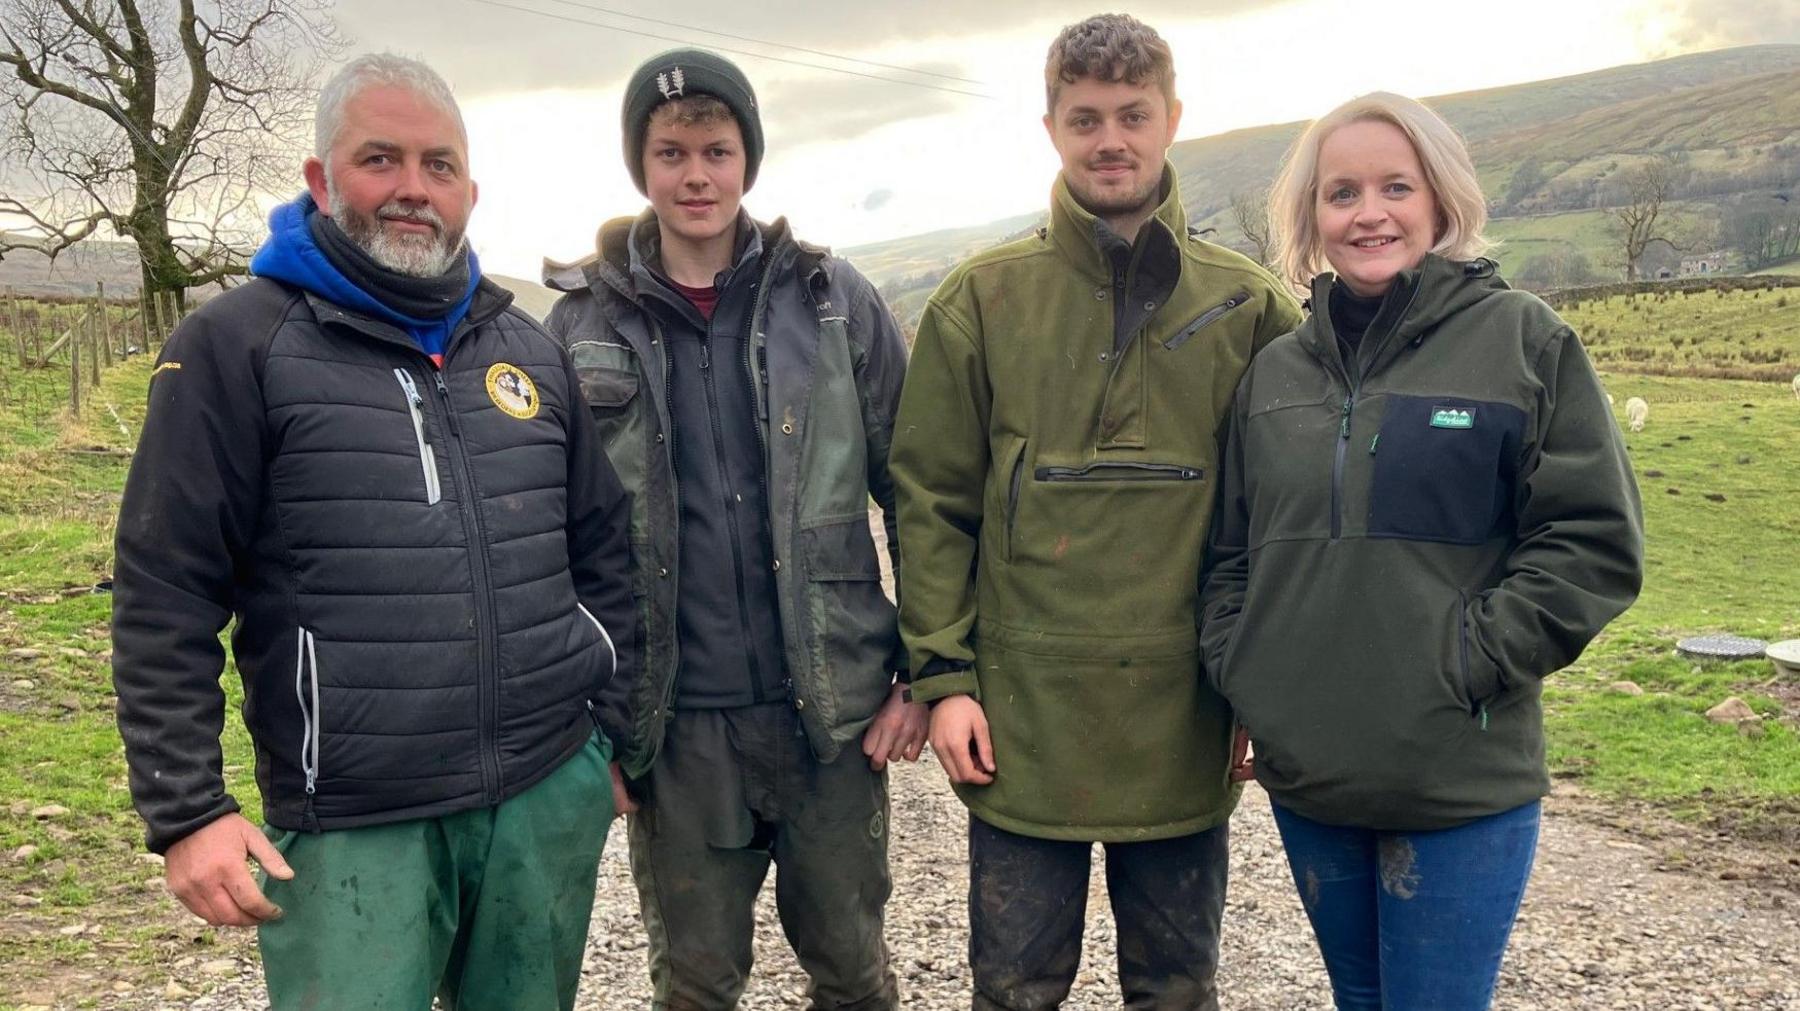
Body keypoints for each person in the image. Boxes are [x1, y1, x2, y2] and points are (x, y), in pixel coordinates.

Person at [110, 53, 635, 1010]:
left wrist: (608, 740)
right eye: (379, 159)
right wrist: (187, 810)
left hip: (542, 794)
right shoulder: (237, 347)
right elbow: (164, 591)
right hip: (354, 822)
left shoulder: (525, 352)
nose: (412, 190)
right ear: (320, 179)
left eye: (438, 166)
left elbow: (603, 550)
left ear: (470, 189)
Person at [889, 14, 1303, 1009]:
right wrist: (945, 679)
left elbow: (1285, 517)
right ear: (1051, 129)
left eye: (1131, 115)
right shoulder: (979, 301)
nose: (1109, 138)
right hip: (1023, 726)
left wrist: (1262, 686)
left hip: (1185, 718)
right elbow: (931, 503)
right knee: (1016, 988)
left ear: (1172, 121)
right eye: (1085, 118)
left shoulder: (1251, 308)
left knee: (1175, 989)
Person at [1198, 92, 1644, 1010]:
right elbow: (1234, 553)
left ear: (1441, 200)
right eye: (1342, 192)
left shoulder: (1522, 339)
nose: (1369, 213)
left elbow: (1592, 541)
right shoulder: (1278, 373)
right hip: (1312, 777)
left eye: (1396, 186)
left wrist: (1468, 661)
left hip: (1459, 776)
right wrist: (1250, 672)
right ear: (1311, 218)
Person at [541, 48, 922, 1010]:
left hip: (830, 718)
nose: (696, 174)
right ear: (642, 164)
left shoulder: (833, 304)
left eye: (717, 149)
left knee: (854, 972)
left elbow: (919, 495)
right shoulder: (578, 326)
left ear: (747, 158)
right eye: (671, 152)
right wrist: (592, 727)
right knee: (697, 985)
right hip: (673, 728)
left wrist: (923, 672)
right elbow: (544, 542)